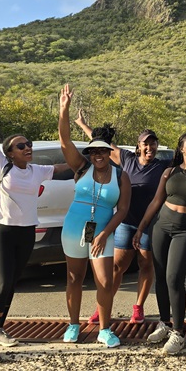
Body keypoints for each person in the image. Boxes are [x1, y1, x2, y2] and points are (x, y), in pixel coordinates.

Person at [0, 77, 70, 362]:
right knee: (3, 284)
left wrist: (95, 158)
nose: (27, 148)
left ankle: (1, 328)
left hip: (28, 233)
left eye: (28, 144)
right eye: (21, 146)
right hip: (5, 233)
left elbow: (66, 167)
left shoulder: (37, 170)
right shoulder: (1, 166)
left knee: (13, 284)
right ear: (9, 153)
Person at [134, 97, 186, 355]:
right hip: (161, 226)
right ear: (181, 149)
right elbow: (156, 202)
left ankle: (179, 333)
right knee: (160, 277)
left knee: (174, 278)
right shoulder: (169, 172)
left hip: (185, 231)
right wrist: (141, 228)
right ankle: (165, 323)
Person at [75, 112, 170, 325]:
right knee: (117, 267)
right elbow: (102, 143)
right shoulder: (127, 159)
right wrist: (82, 124)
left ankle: (138, 308)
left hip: (150, 225)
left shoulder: (163, 165)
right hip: (125, 222)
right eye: (145, 144)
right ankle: (103, 307)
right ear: (138, 146)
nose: (149, 147)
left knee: (145, 265)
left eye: (153, 143)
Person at [57, 84, 132, 348]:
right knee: (74, 278)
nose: (98, 155)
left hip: (103, 231)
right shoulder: (81, 167)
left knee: (105, 281)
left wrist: (104, 233)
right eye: (94, 151)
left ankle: (104, 329)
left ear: (109, 151)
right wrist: (64, 109)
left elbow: (123, 210)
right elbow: (65, 141)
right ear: (90, 153)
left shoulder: (121, 176)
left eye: (102, 150)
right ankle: (73, 325)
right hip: (74, 228)